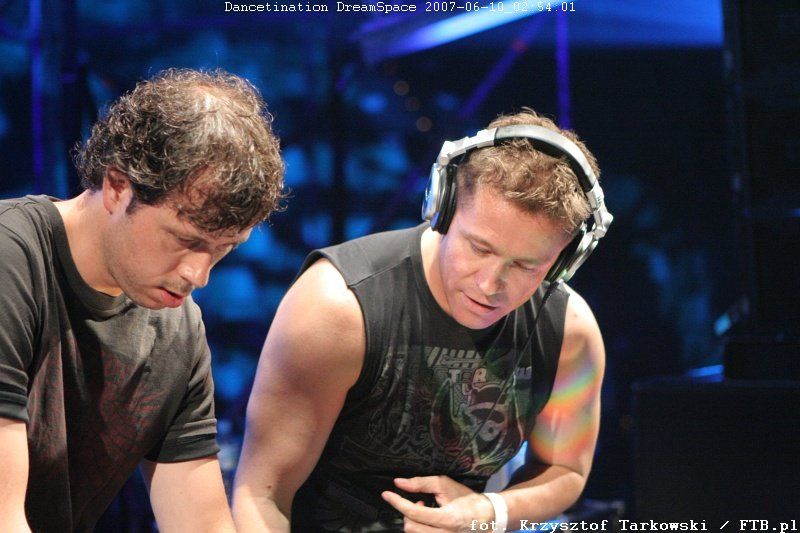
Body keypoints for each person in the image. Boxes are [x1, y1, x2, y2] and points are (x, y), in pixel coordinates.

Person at [233, 109, 612, 532]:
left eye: (526, 266)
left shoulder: (569, 333)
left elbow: (566, 470)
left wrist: (488, 513)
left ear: (564, 262)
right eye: (479, 248)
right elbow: (260, 495)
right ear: (442, 208)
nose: (490, 284)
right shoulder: (338, 308)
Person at [0, 68, 285, 532]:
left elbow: (201, 524)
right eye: (185, 240)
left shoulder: (176, 328)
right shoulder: (9, 260)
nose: (199, 275)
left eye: (223, 249)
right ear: (117, 186)